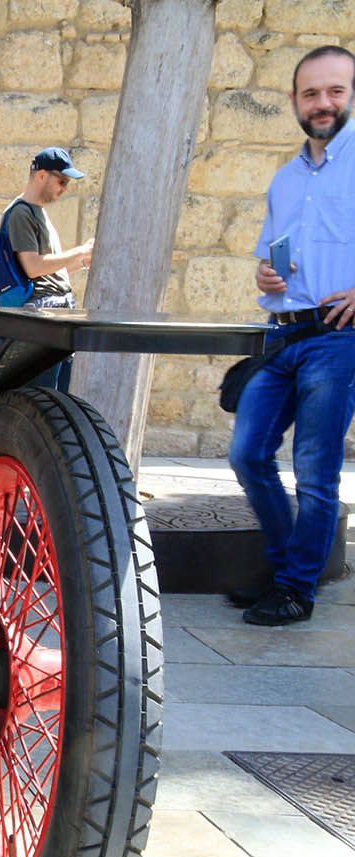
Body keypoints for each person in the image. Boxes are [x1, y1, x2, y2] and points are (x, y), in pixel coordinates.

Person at [226, 45, 355, 627]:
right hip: (280, 335)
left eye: (335, 91)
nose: (322, 103)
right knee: (248, 454)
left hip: (337, 338)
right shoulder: (284, 178)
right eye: (311, 93)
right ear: (295, 102)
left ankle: (298, 588)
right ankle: (284, 570)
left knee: (314, 470)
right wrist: (265, 274)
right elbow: (270, 257)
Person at [4, 147, 95, 390]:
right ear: (42, 175)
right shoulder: (21, 214)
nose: (65, 188)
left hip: (56, 313)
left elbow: (49, 273)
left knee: (59, 401)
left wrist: (83, 259)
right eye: (62, 181)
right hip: (42, 317)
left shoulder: (38, 214)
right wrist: (76, 252)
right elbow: (33, 267)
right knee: (45, 401)